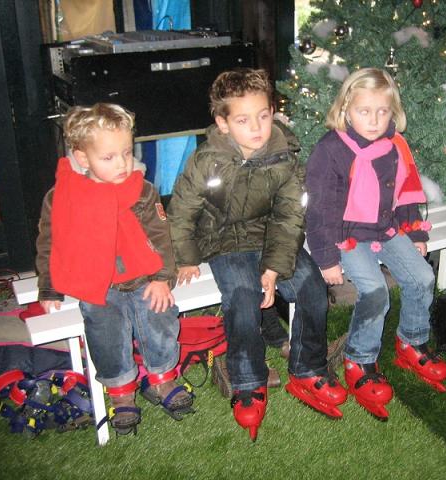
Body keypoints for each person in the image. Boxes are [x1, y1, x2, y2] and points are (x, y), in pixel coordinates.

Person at [167, 68, 346, 441]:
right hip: (223, 239)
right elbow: (182, 210)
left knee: (312, 287)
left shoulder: (284, 156)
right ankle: (248, 379)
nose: (256, 128)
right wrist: (185, 257)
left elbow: (290, 215)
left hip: (271, 236)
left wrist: (273, 269)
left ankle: (307, 368)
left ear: (272, 112)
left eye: (263, 116)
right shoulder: (206, 159)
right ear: (223, 123)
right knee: (242, 295)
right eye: (243, 120)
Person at [35, 103, 193, 436]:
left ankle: (163, 377)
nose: (122, 164)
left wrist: (162, 278)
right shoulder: (63, 196)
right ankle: (121, 390)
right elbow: (51, 242)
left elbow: (160, 235)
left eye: (126, 153)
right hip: (98, 283)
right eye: (108, 157)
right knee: (104, 332)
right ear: (82, 158)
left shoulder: (142, 190)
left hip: (143, 277)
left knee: (159, 316)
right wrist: (49, 287)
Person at [305, 68, 446, 421]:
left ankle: (411, 340)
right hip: (346, 233)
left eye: (382, 111)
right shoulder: (331, 149)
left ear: (393, 112)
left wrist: (414, 233)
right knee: (374, 291)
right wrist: (327, 258)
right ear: (346, 109)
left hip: (385, 228)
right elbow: (320, 210)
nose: (373, 120)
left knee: (423, 277)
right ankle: (360, 358)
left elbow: (405, 193)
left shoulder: (395, 145)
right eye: (364, 111)